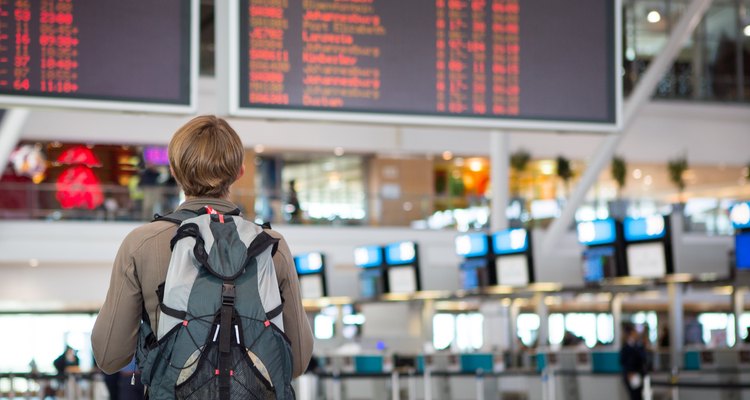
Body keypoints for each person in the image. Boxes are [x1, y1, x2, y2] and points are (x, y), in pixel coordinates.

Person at [91, 116, 313, 395]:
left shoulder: (142, 243)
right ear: (240, 171)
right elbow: (299, 360)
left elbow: (110, 356)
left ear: (174, 169)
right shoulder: (271, 245)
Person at [620, 322, 647, 400]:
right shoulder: (626, 347)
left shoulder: (638, 346)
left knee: (639, 395)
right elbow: (623, 361)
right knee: (635, 396)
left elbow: (642, 359)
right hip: (631, 375)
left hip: (639, 373)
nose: (637, 334)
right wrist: (629, 372)